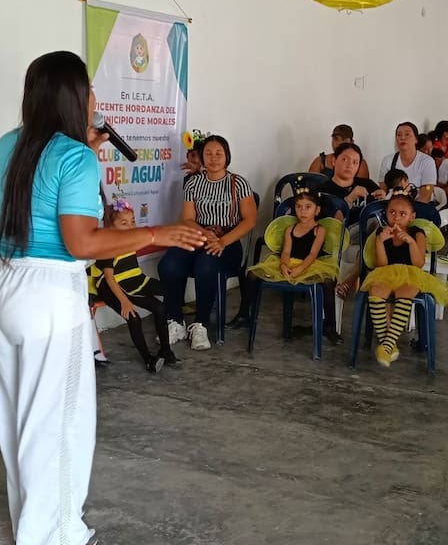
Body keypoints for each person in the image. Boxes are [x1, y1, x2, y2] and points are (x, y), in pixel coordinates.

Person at [0, 51, 204, 545]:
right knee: (57, 421)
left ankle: (29, 523)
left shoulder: (6, 145)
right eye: (90, 88)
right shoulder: (74, 157)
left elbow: (36, 190)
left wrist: (82, 147)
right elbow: (80, 243)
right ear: (76, 97)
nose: (96, 98)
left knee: (17, 412)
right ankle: (50, 540)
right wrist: (158, 233)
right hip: (47, 291)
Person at [160, 134, 258, 351]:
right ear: (202, 157)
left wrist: (222, 241)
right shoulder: (194, 182)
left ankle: (201, 324)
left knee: (206, 265)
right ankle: (175, 321)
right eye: (208, 154)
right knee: (169, 264)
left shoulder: (238, 183)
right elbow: (187, 219)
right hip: (199, 235)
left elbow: (250, 220)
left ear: (227, 156)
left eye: (219, 153)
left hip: (228, 242)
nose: (214, 158)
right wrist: (204, 233)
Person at [361, 192, 448, 365]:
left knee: (404, 294)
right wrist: (380, 242)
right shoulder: (381, 232)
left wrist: (411, 242)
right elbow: (381, 264)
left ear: (411, 217)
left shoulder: (417, 233)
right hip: (386, 272)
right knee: (376, 293)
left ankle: (386, 345)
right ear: (386, 213)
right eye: (392, 212)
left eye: (402, 214)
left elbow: (419, 263)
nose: (396, 217)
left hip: (411, 274)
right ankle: (389, 344)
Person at [238, 186, 342, 342]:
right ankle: (244, 315)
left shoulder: (319, 230)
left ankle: (329, 327)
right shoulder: (290, 229)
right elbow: (286, 252)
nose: (303, 211)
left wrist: (300, 268)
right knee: (252, 274)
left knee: (328, 281)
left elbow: (313, 254)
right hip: (288, 263)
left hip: (310, 264)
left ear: (317, 210)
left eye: (308, 207)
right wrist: (284, 266)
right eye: (299, 207)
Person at [90, 198, 176, 373]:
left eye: (132, 222)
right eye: (124, 223)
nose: (130, 227)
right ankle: (148, 360)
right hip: (109, 286)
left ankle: (165, 350)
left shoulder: (130, 239)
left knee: (160, 307)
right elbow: (109, 278)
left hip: (132, 280)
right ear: (110, 227)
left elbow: (133, 271)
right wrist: (125, 302)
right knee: (133, 317)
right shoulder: (107, 244)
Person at [315, 142, 380, 225]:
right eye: (345, 159)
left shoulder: (368, 185)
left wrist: (382, 202)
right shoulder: (322, 191)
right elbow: (328, 225)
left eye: (355, 162)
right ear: (334, 160)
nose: (350, 165)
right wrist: (349, 199)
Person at [380, 122, 437, 203]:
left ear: (416, 139)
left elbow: (426, 196)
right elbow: (383, 191)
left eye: (407, 134)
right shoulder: (388, 161)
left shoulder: (427, 161)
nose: (402, 138)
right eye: (399, 135)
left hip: (420, 208)